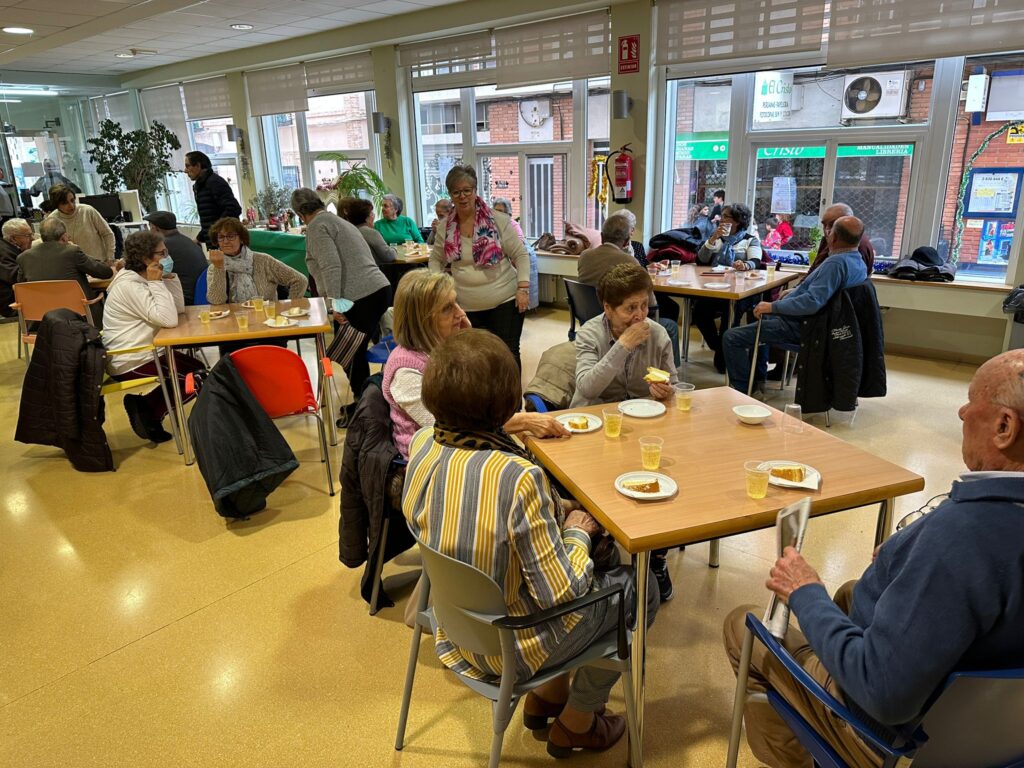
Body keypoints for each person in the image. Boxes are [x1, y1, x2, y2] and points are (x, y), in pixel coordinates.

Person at [725, 349, 1024, 768]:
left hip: (893, 737)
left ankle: (804, 757)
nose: (961, 410)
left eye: (972, 399)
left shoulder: (963, 536)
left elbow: (884, 692)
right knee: (852, 592)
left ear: (1004, 426)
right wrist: (911, 553)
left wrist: (806, 591)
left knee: (742, 625)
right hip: (996, 730)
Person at [403, 328, 659, 758]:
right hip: (507, 648)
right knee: (640, 586)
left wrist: (561, 516)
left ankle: (549, 696)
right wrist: (578, 527)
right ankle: (578, 720)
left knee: (587, 560)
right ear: (507, 399)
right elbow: (562, 592)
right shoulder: (517, 478)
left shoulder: (423, 445)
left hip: (454, 629)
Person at [382, 270, 568, 460]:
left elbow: (483, 400)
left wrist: (468, 342)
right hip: (433, 461)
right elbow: (452, 431)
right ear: (421, 320)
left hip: (463, 448)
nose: (461, 313)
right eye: (447, 308)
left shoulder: (443, 349)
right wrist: (523, 421)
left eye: (457, 302)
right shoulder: (405, 371)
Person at [722, 216, 868, 393]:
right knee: (760, 322)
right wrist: (793, 292)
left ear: (834, 237)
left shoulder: (835, 263)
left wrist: (772, 307)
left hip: (805, 326)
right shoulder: (857, 260)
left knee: (732, 337)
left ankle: (744, 391)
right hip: (827, 326)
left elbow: (811, 302)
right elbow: (823, 293)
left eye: (829, 230)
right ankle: (759, 376)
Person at [291, 188, 391, 412]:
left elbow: (331, 265)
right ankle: (366, 401)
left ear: (299, 212)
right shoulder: (338, 222)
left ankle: (365, 406)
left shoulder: (317, 227)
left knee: (349, 352)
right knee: (351, 351)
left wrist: (335, 303)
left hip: (359, 295)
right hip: (375, 290)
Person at [102, 230, 204, 444]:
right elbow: (168, 320)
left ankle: (146, 407)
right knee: (195, 380)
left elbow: (177, 309)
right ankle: (148, 409)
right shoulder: (129, 285)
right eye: (161, 253)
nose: (167, 257)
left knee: (199, 371)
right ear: (144, 258)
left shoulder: (144, 278)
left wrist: (169, 278)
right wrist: (157, 283)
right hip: (131, 359)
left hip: (150, 352)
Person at [428, 164, 531, 369]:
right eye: (456, 192)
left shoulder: (498, 220)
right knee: (472, 359)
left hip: (504, 300)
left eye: (467, 190)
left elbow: (520, 255)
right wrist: (438, 287)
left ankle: (510, 402)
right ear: (450, 195)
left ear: (475, 191)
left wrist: (523, 289)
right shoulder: (445, 226)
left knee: (507, 354)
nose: (463, 196)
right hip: (465, 305)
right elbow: (436, 259)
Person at [577, 215, 681, 368]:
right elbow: (651, 305)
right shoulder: (629, 261)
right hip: (619, 322)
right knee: (670, 325)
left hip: (588, 317)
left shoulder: (584, 256)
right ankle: (670, 372)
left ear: (601, 236)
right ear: (626, 242)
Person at [571, 262, 677, 408]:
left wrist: (668, 390)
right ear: (608, 308)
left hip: (640, 413)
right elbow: (587, 390)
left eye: (644, 305)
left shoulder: (658, 334)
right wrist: (623, 345)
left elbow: (674, 384)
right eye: (631, 308)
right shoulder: (589, 334)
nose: (640, 315)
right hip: (597, 414)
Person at [693, 203, 766, 374]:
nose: (721, 219)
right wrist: (712, 239)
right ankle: (720, 348)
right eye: (722, 216)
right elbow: (701, 260)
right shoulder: (717, 237)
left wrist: (744, 264)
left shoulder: (750, 239)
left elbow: (756, 261)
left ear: (738, 221)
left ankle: (723, 356)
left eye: (726, 216)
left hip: (739, 290)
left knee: (729, 314)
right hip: (715, 287)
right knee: (700, 313)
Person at [17, 217, 112, 325]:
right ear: (63, 237)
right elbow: (106, 273)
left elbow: (21, 285)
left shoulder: (23, 258)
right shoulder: (72, 252)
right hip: (81, 317)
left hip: (41, 320)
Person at [204, 217, 307, 305]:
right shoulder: (214, 267)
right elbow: (216, 301)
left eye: (231, 236)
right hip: (237, 321)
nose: (225, 241)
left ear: (241, 239)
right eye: (221, 237)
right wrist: (219, 268)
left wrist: (290, 307)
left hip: (269, 319)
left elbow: (300, 280)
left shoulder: (263, 261)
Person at [143, 211, 208, 304]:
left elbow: (145, 271)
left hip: (184, 298)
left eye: (150, 228)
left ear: (155, 228)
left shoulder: (163, 246)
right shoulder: (188, 240)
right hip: (199, 294)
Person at [184, 151, 242, 247]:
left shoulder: (215, 182)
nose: (185, 170)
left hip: (225, 242)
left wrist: (217, 232)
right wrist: (199, 238)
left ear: (198, 166)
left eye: (188, 166)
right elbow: (209, 220)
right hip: (214, 243)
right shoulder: (200, 186)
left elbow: (233, 209)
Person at [46, 184, 115, 264]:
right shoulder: (52, 220)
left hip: (98, 263)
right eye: (65, 203)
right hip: (72, 267)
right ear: (57, 205)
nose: (71, 206)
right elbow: (51, 247)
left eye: (72, 200)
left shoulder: (88, 211)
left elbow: (108, 234)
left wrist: (110, 258)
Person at [807, 204, 874, 276]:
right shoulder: (828, 239)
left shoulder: (856, 247)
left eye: (832, 224)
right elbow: (813, 271)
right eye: (824, 225)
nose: (827, 231)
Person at [337, 196, 396, 265]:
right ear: (366, 217)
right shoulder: (370, 233)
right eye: (371, 213)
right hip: (376, 271)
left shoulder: (347, 231)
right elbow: (388, 256)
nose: (373, 216)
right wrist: (394, 249)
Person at [0, 218, 33, 318]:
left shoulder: (9, 249)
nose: (32, 239)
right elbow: (17, 277)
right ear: (13, 239)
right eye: (28, 235)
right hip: (12, 305)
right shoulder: (3, 253)